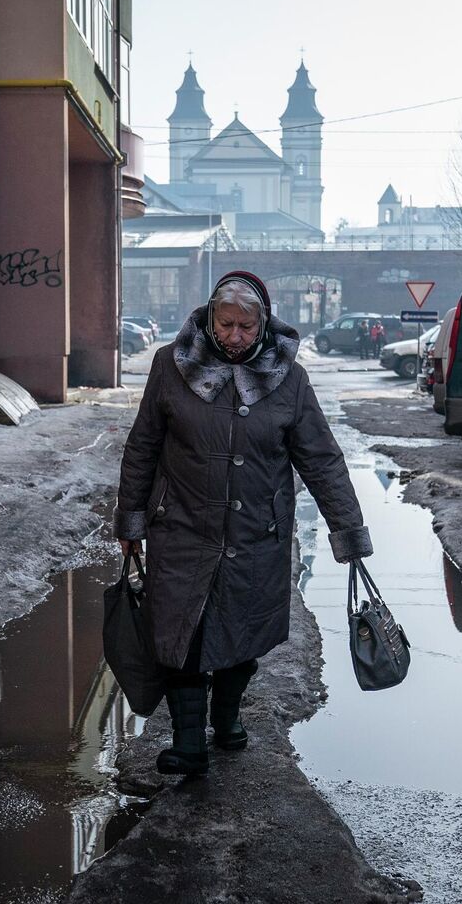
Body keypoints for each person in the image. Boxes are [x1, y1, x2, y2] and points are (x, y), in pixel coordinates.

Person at [115, 271, 372, 775]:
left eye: (246, 327)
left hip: (257, 532)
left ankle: (228, 720)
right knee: (180, 636)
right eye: (226, 324)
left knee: (240, 636)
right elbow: (143, 445)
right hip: (183, 527)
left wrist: (347, 531)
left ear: (263, 325)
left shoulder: (288, 377)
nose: (234, 336)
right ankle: (190, 744)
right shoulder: (172, 365)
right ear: (211, 318)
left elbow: (320, 458)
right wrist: (132, 522)